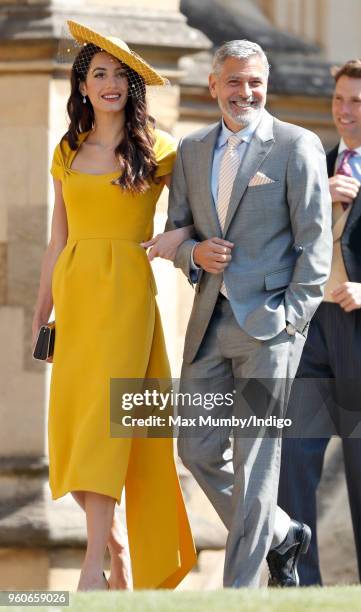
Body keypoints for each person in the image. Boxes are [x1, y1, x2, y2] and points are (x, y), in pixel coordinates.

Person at [147, 40, 332, 588]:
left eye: (254, 82)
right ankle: (281, 533)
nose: (245, 92)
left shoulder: (296, 146)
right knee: (197, 449)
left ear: (266, 83)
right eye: (234, 81)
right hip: (208, 325)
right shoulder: (192, 149)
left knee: (257, 468)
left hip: (269, 328)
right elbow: (178, 231)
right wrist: (192, 255)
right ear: (213, 85)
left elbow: (316, 247)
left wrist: (291, 321)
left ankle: (240, 592)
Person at [31, 20, 196, 592]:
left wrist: (179, 240)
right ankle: (117, 546)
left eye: (121, 76)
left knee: (108, 427)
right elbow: (57, 239)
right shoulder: (66, 149)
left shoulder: (165, 148)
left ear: (132, 88)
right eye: (99, 73)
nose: (110, 84)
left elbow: (197, 217)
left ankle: (90, 569)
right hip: (75, 300)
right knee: (73, 435)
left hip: (127, 299)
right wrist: (40, 313)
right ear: (82, 86)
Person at [278, 59, 361, 586]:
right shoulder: (317, 164)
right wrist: (316, 200)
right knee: (292, 454)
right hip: (311, 329)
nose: (345, 112)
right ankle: (298, 585)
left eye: (356, 102)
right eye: (339, 101)